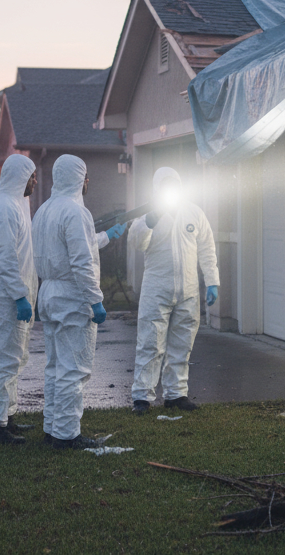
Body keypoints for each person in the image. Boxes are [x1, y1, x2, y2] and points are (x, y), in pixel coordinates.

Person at [31, 154, 108, 449]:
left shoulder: (45, 210)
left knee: (54, 366)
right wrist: (95, 300)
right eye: (86, 177)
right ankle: (67, 436)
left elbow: (66, 249)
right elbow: (81, 261)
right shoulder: (76, 212)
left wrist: (105, 237)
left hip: (48, 293)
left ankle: (53, 428)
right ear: (80, 179)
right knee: (73, 369)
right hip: (72, 296)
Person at [129, 167, 219, 414]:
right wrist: (149, 221)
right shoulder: (148, 213)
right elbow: (136, 243)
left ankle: (176, 394)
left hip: (188, 289)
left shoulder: (194, 212)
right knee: (150, 343)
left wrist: (212, 280)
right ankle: (142, 397)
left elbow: (207, 249)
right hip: (157, 288)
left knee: (182, 343)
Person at [0, 154, 39, 445]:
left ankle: (6, 417)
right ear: (19, 177)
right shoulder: (2, 208)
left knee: (14, 358)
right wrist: (18, 296)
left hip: (10, 294)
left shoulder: (17, 205)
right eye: (32, 177)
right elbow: (5, 258)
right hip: (2, 293)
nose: (35, 182)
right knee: (1, 360)